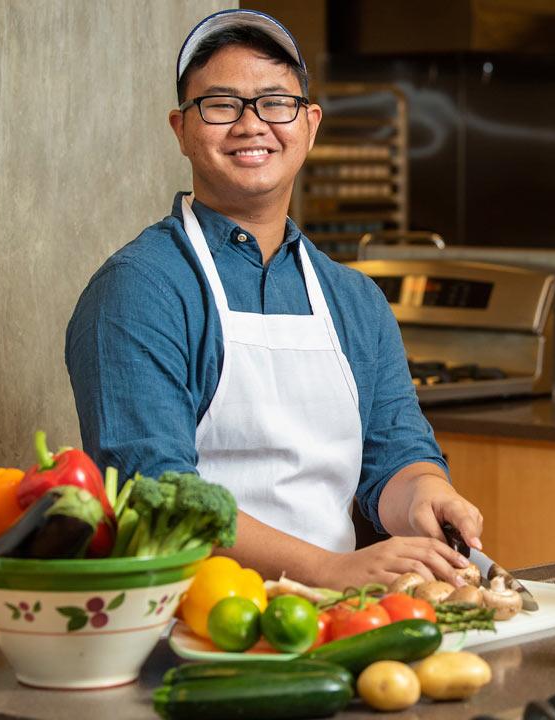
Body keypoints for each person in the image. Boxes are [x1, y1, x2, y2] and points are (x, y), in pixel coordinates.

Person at [65, 9, 483, 589]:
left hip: (345, 617)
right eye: (220, 104)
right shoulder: (139, 290)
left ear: (309, 125)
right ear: (181, 129)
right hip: (191, 630)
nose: (250, 124)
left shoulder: (355, 299)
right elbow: (157, 495)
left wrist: (426, 494)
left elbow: (394, 454)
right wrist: (332, 569)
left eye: (274, 102)